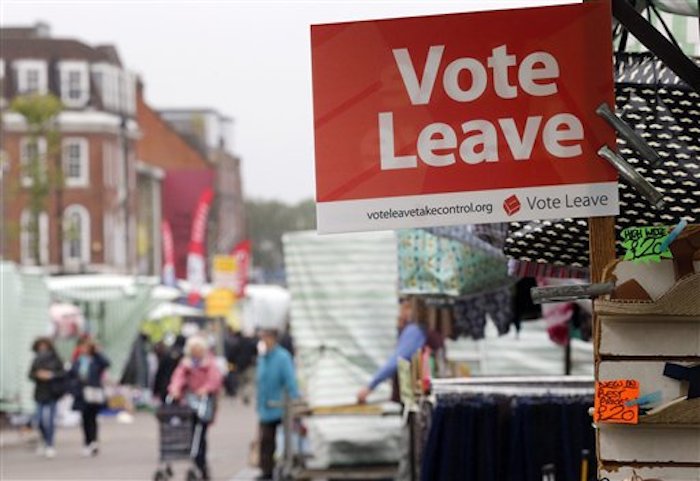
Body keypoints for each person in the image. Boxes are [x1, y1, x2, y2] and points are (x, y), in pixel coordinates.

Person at [356, 296, 443, 403]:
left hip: (414, 395)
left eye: (408, 307)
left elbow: (396, 361)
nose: (402, 311)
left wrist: (369, 387)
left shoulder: (415, 330)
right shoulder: (422, 329)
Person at [168, 336, 222, 481]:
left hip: (204, 404)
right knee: (189, 432)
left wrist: (205, 389)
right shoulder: (186, 364)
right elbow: (178, 378)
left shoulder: (210, 363)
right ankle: (195, 459)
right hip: (189, 404)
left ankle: (201, 463)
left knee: (200, 434)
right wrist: (175, 389)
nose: (196, 352)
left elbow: (215, 380)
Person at [255, 329, 299, 481]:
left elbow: (290, 380)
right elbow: (260, 382)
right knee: (266, 441)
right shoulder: (262, 357)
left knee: (286, 439)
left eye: (266, 337)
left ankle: (287, 466)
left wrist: (295, 400)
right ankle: (267, 471)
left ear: (273, 338)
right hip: (265, 406)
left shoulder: (282, 357)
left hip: (281, 406)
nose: (264, 340)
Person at [69, 337, 110, 457]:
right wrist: (73, 388)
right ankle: (87, 442)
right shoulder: (77, 361)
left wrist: (97, 351)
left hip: (94, 393)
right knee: (85, 419)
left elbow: (107, 363)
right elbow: (71, 376)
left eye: (86, 347)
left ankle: (93, 441)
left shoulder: (96, 360)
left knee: (92, 418)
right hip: (81, 394)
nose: (84, 349)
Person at [28, 337, 66, 459]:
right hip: (40, 393)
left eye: (44, 345)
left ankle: (50, 444)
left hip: (52, 393)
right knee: (38, 420)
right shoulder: (36, 360)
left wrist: (51, 375)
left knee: (49, 420)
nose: (42, 348)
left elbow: (63, 374)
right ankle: (44, 440)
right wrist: (37, 375)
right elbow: (30, 374)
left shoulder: (56, 359)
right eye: (40, 346)